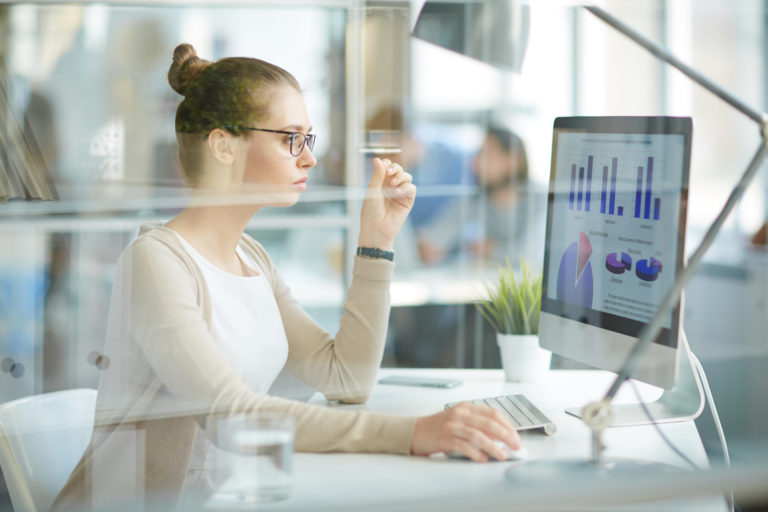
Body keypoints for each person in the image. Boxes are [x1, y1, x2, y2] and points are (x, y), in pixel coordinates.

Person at [52, 44, 520, 510]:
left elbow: (346, 379)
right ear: (223, 145)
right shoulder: (155, 262)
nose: (308, 159)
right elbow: (231, 415)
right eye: (290, 138)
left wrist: (375, 241)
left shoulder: (251, 257)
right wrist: (413, 433)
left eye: (308, 139)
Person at [417, 126, 546, 267]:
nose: (475, 163)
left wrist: (490, 249)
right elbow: (432, 244)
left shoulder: (540, 198)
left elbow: (531, 255)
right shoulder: (474, 198)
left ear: (512, 161)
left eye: (486, 155)